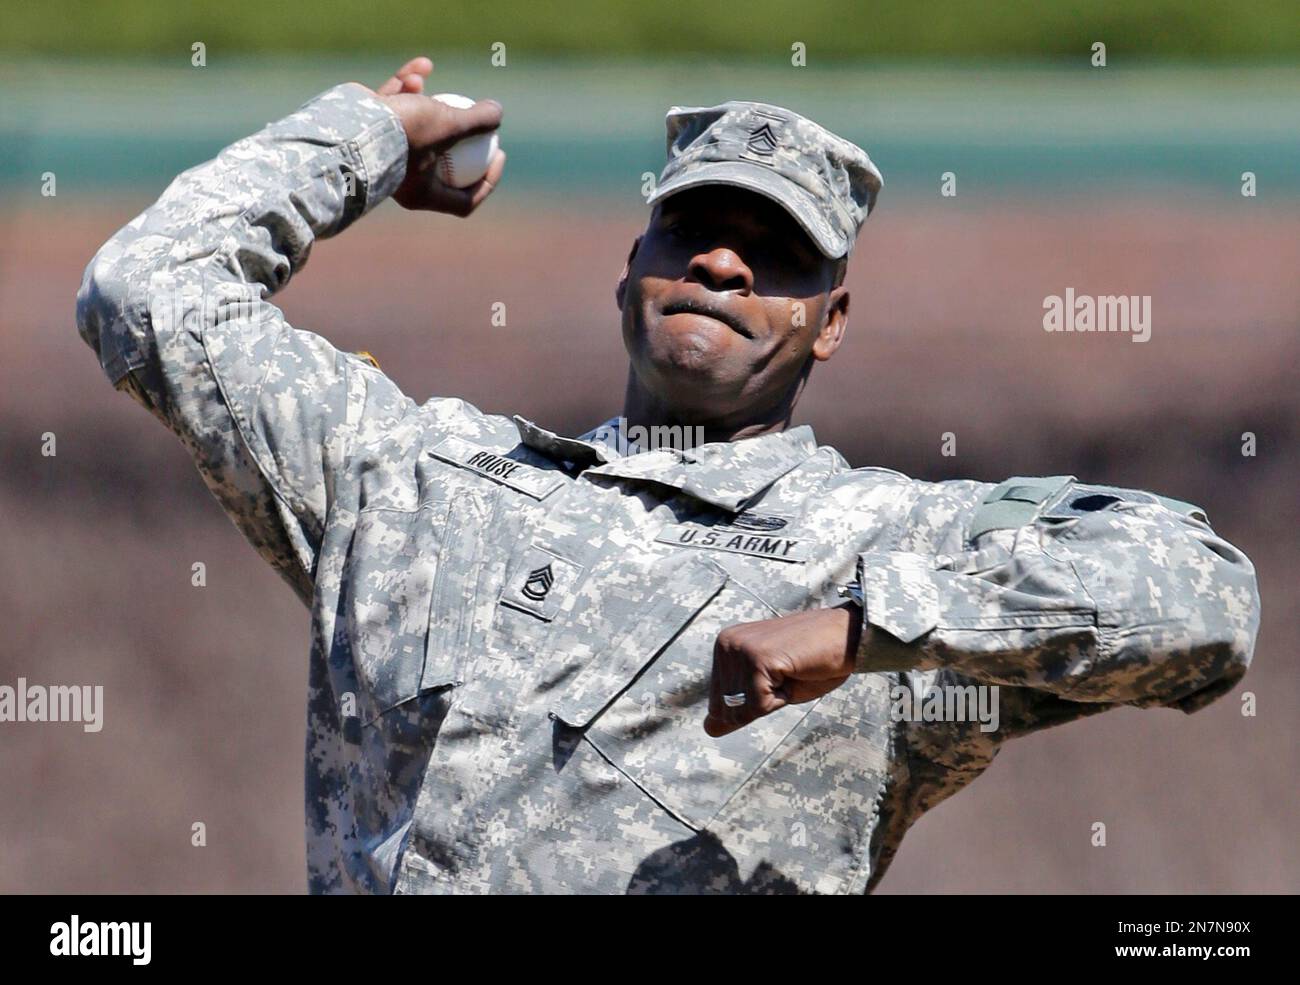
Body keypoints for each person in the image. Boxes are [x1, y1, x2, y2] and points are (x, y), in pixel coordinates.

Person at [76, 56, 1260, 894]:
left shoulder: (881, 540)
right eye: (691, 228)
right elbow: (148, 294)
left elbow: (1207, 601)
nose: (727, 261)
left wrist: (869, 626)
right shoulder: (418, 477)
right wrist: (364, 143)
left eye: (778, 251)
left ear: (830, 323)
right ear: (628, 271)